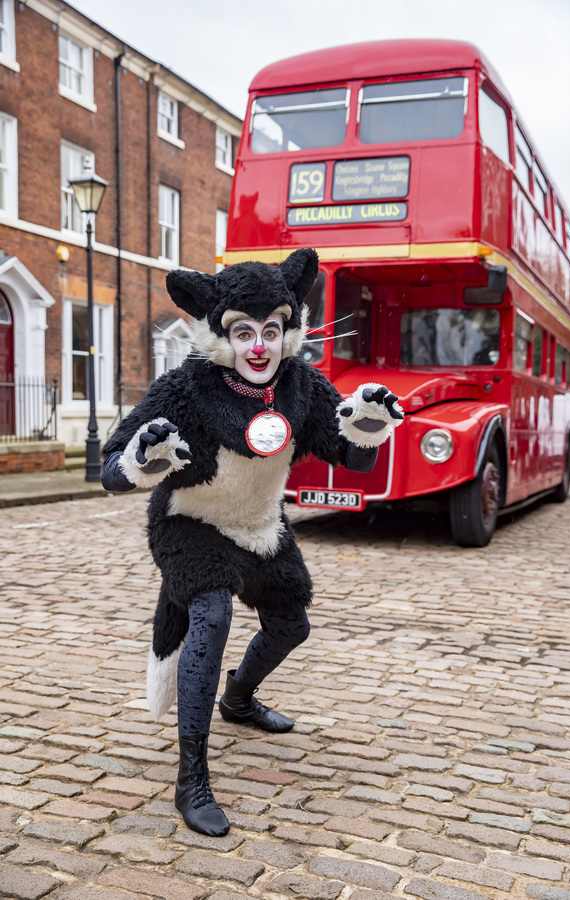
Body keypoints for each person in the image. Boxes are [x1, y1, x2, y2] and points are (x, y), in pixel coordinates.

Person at [100, 248, 403, 836]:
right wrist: (141, 460)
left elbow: (352, 459)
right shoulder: (185, 387)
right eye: (243, 332)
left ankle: (238, 699)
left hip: (261, 525)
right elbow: (112, 463)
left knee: (292, 625)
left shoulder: (301, 385)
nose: (258, 346)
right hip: (190, 520)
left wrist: (367, 428)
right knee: (210, 615)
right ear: (220, 332)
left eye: (270, 330)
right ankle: (191, 778)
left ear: (288, 328)